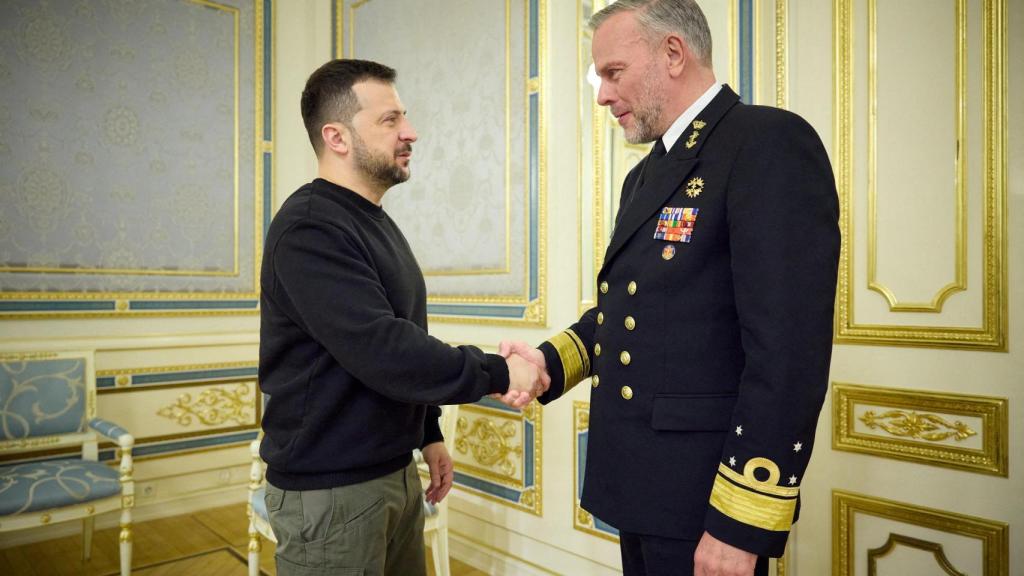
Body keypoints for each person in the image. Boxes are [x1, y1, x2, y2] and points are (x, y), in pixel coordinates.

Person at [500, 1, 840, 575]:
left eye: (612, 73)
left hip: (706, 498)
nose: (602, 95)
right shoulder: (646, 173)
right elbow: (636, 310)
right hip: (643, 484)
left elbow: (788, 354)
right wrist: (549, 361)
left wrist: (742, 522)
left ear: (673, 53)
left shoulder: (765, 143)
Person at [259, 58, 547, 576]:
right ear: (337, 137)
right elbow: (383, 349)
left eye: (404, 118)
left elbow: (404, 334)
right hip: (332, 492)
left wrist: (427, 432)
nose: (410, 132)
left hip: (392, 474)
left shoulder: (372, 221)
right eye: (389, 120)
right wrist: (501, 372)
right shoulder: (310, 228)